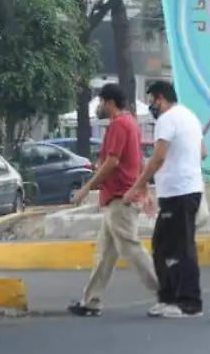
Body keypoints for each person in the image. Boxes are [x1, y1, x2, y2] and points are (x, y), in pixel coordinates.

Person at [67, 84, 158, 317]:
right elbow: (137, 160)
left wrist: (86, 189)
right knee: (105, 254)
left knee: (131, 248)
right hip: (119, 197)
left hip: (121, 198)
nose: (98, 106)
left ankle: (166, 293)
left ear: (109, 103)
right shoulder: (131, 123)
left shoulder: (119, 125)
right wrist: (145, 190)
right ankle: (91, 301)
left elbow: (112, 162)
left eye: (100, 102)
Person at [125, 80, 205, 319]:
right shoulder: (189, 116)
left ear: (160, 98)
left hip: (179, 193)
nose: (151, 107)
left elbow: (158, 158)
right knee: (161, 246)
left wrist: (137, 187)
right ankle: (168, 298)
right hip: (183, 190)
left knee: (181, 249)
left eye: (152, 102)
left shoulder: (167, 120)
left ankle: (190, 303)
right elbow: (203, 152)